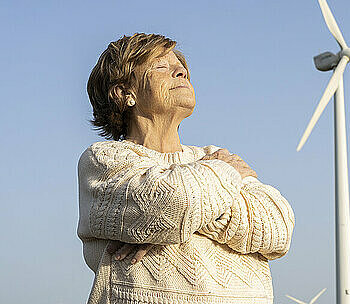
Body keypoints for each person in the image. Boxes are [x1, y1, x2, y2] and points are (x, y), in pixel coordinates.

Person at [77, 32, 295, 304]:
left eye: (181, 67)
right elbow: (173, 202)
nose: (181, 72)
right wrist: (214, 188)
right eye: (161, 66)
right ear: (124, 92)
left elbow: (277, 227)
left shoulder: (212, 157)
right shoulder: (105, 160)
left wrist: (174, 223)